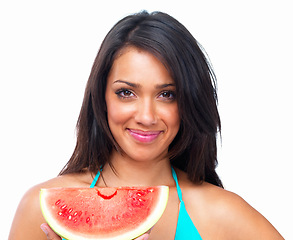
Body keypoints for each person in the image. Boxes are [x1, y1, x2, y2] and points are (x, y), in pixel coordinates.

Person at [9, 11, 283, 240]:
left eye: (167, 94)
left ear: (188, 102)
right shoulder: (40, 210)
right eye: (126, 92)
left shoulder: (223, 214)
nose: (146, 116)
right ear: (101, 98)